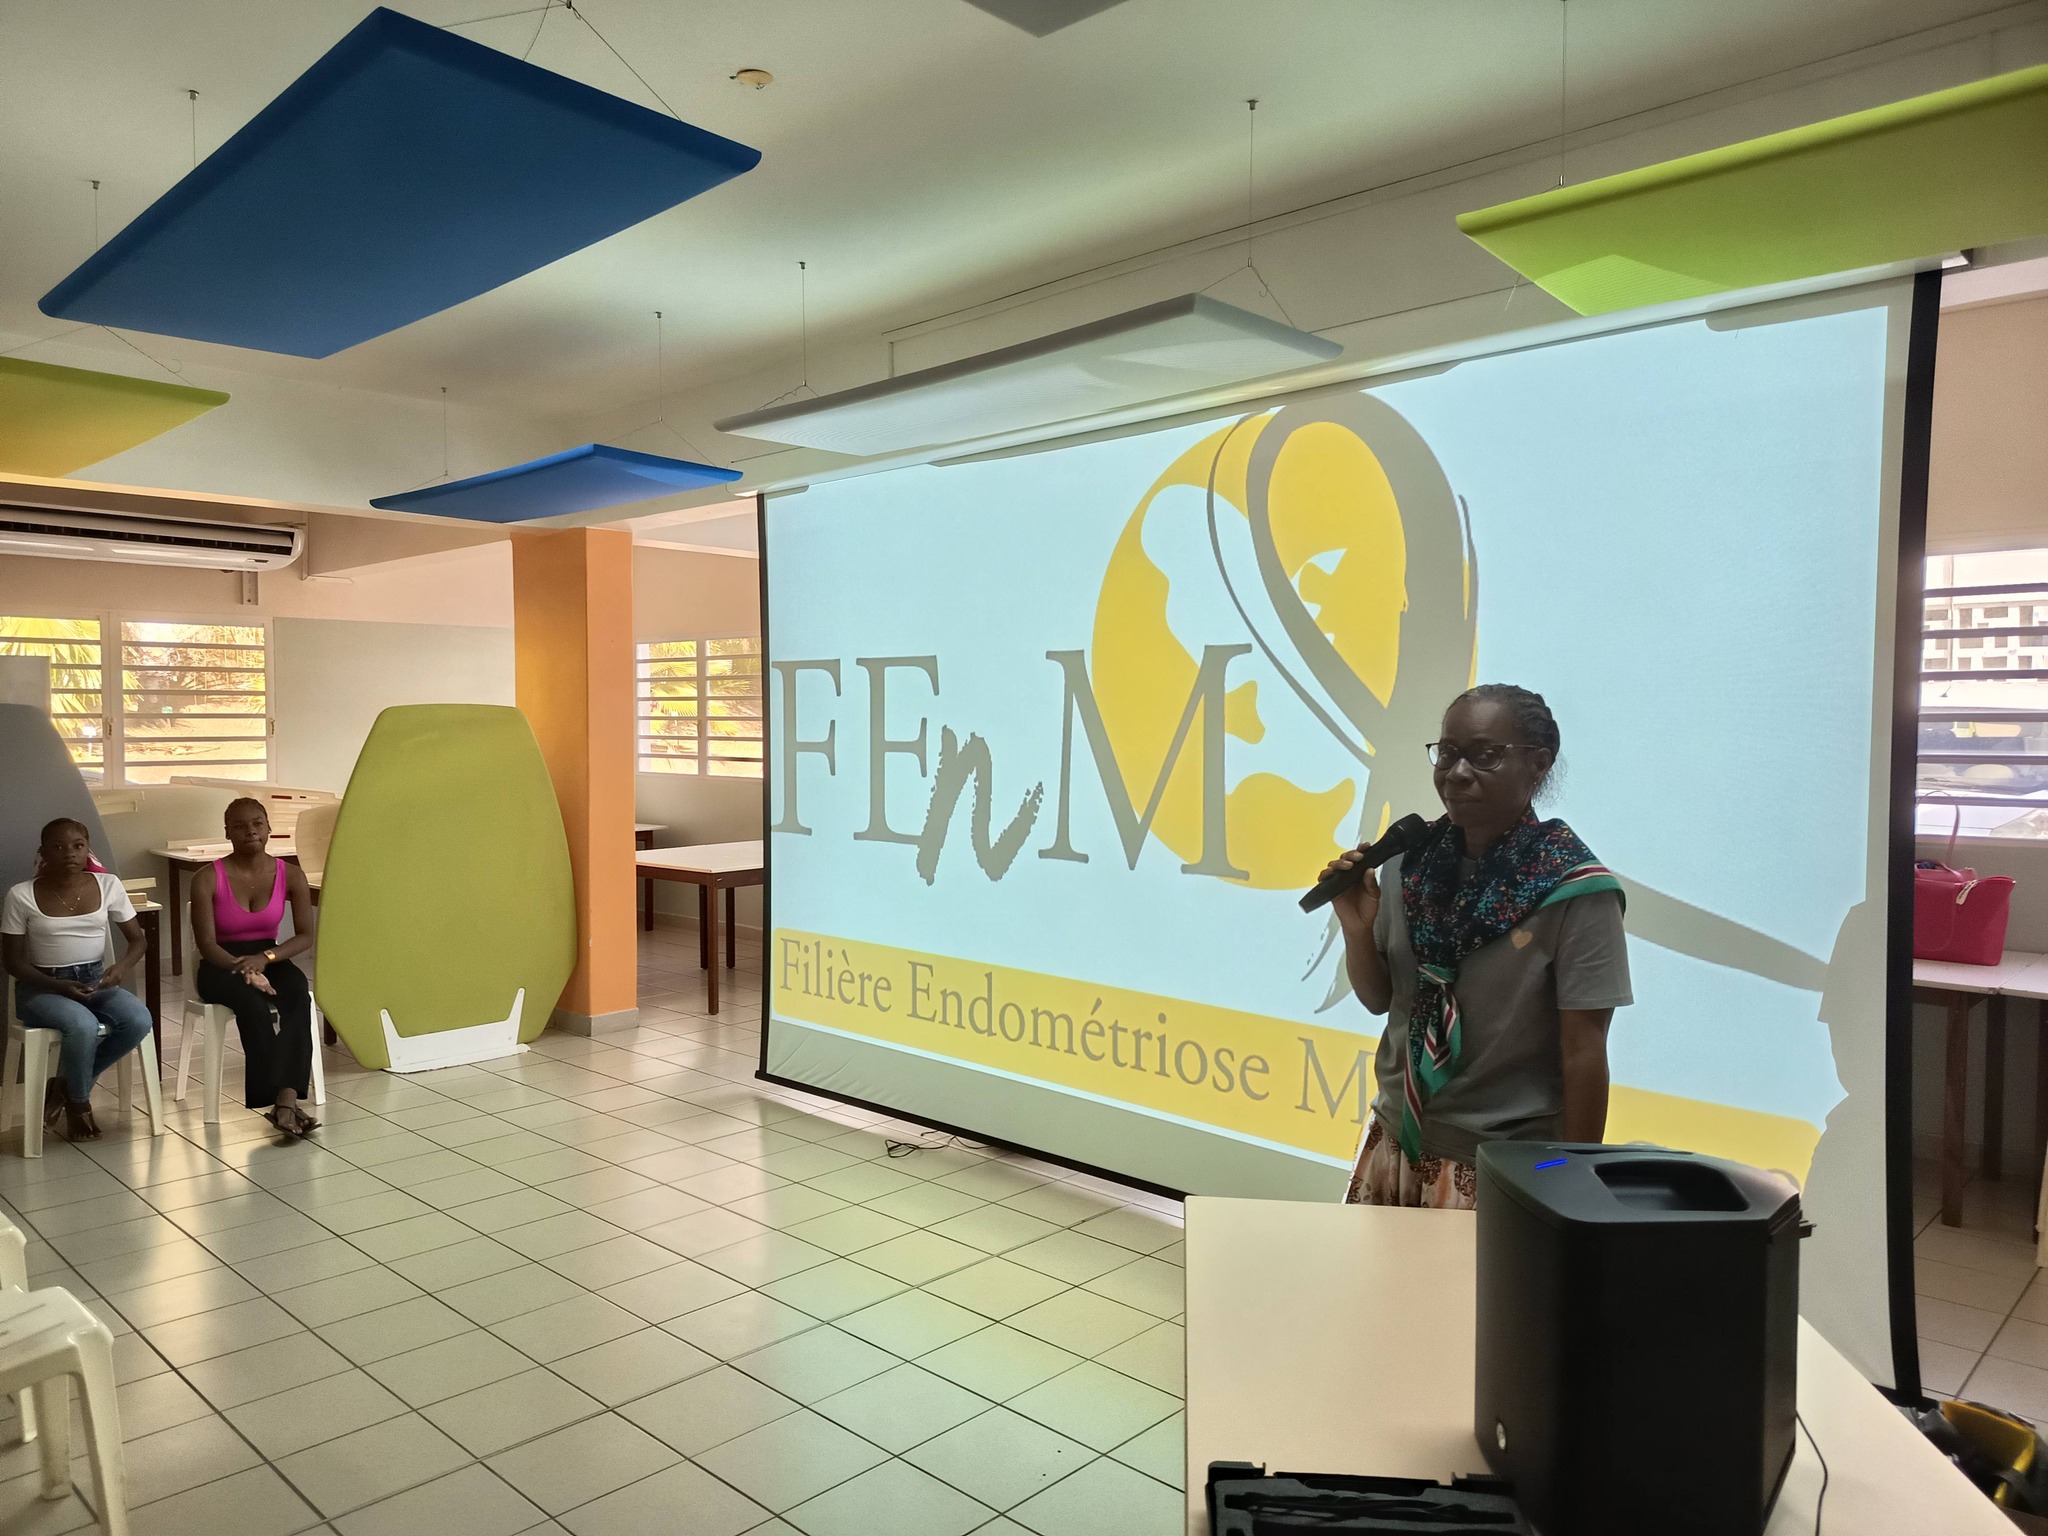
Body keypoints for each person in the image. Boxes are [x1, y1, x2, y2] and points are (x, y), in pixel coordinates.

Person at [1318, 684, 1631, 1209]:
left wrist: (1574, 1187)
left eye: (1485, 755)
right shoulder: (1407, 862)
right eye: (1448, 753)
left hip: (1502, 1166)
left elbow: (1584, 1052)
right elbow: (1380, 1000)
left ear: (1538, 764)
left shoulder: (1576, 889)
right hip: (1395, 1137)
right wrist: (1356, 928)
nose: (1457, 773)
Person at [1, 818, 155, 1141]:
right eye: (57, 847)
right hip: (42, 988)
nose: (69, 853)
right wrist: (58, 986)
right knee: (83, 1025)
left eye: (77, 846)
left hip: (94, 981)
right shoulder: (21, 895)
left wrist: (121, 968)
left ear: (87, 850)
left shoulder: (108, 885)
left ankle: (64, 1087)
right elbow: (12, 962)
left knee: (139, 1020)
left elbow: (138, 941)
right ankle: (80, 1106)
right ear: (43, 853)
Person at [190, 797, 321, 1137]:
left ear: (268, 828)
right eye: (240, 826)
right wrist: (246, 970)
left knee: (297, 994)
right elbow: (207, 945)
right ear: (227, 832)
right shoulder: (207, 878)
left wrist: (266, 959)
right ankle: (278, 1101)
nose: (250, 831)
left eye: (257, 824)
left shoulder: (291, 874)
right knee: (252, 1005)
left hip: (269, 956)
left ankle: (286, 1100)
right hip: (221, 963)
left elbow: (305, 936)